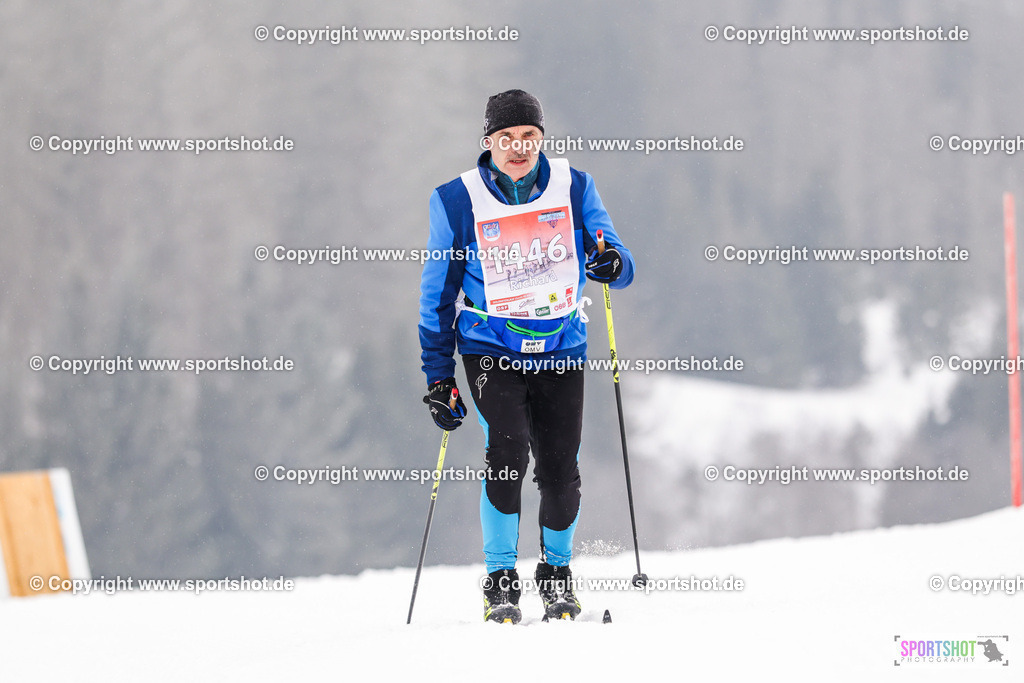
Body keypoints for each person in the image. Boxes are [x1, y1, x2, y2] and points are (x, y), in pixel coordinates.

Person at [418, 89, 635, 624]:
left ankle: (557, 577)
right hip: (490, 345)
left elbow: (620, 260)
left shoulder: (574, 186)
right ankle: (500, 581)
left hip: (562, 344)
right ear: (488, 141)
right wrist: (438, 377)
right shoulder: (455, 200)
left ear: (542, 139)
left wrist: (610, 263)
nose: (520, 149)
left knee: (561, 467)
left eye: (530, 138)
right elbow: (436, 296)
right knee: (508, 451)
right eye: (507, 138)